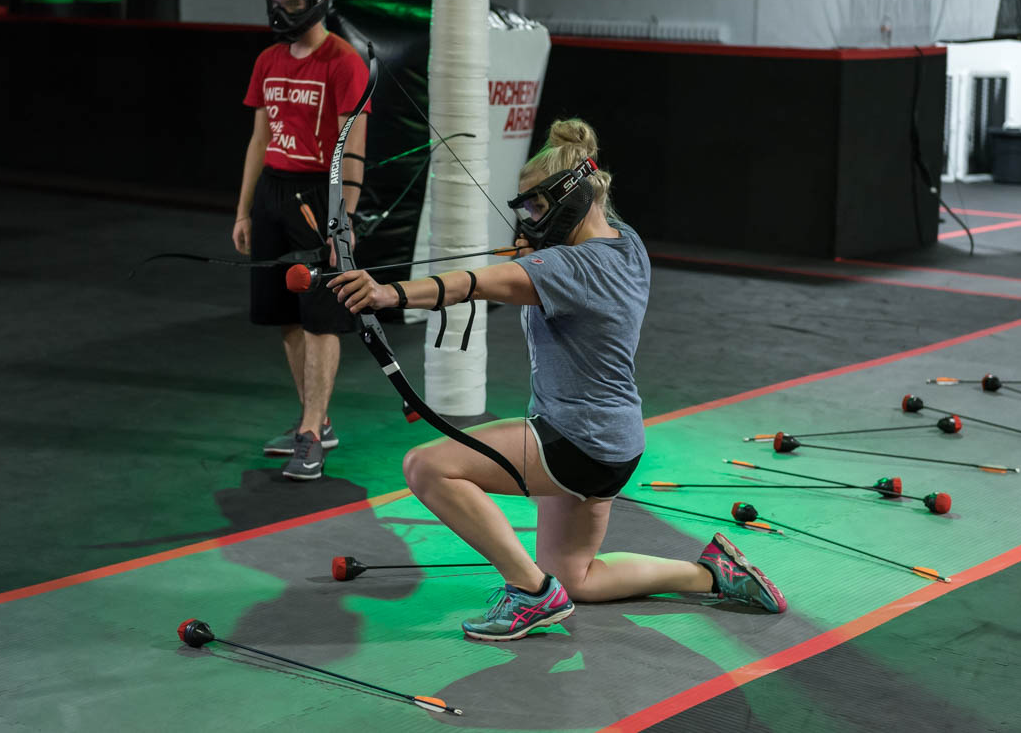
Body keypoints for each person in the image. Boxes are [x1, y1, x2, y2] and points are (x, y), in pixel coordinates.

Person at [329, 119, 786, 640]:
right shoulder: (627, 244)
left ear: (571, 199)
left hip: (575, 439)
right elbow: (550, 274)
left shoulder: (571, 266)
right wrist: (539, 256)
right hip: (616, 441)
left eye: (537, 209)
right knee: (578, 577)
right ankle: (712, 574)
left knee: (427, 467)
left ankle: (530, 594)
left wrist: (389, 294)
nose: (529, 223)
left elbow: (474, 284)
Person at [235, 0, 370, 480]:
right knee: (285, 317)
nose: (281, 11)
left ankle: (310, 431)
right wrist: (245, 209)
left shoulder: (344, 62)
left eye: (290, 2)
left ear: (315, 3)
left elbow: (352, 147)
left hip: (319, 195)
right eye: (276, 2)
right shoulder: (268, 60)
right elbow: (259, 138)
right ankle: (317, 419)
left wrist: (344, 218)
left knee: (320, 316)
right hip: (273, 190)